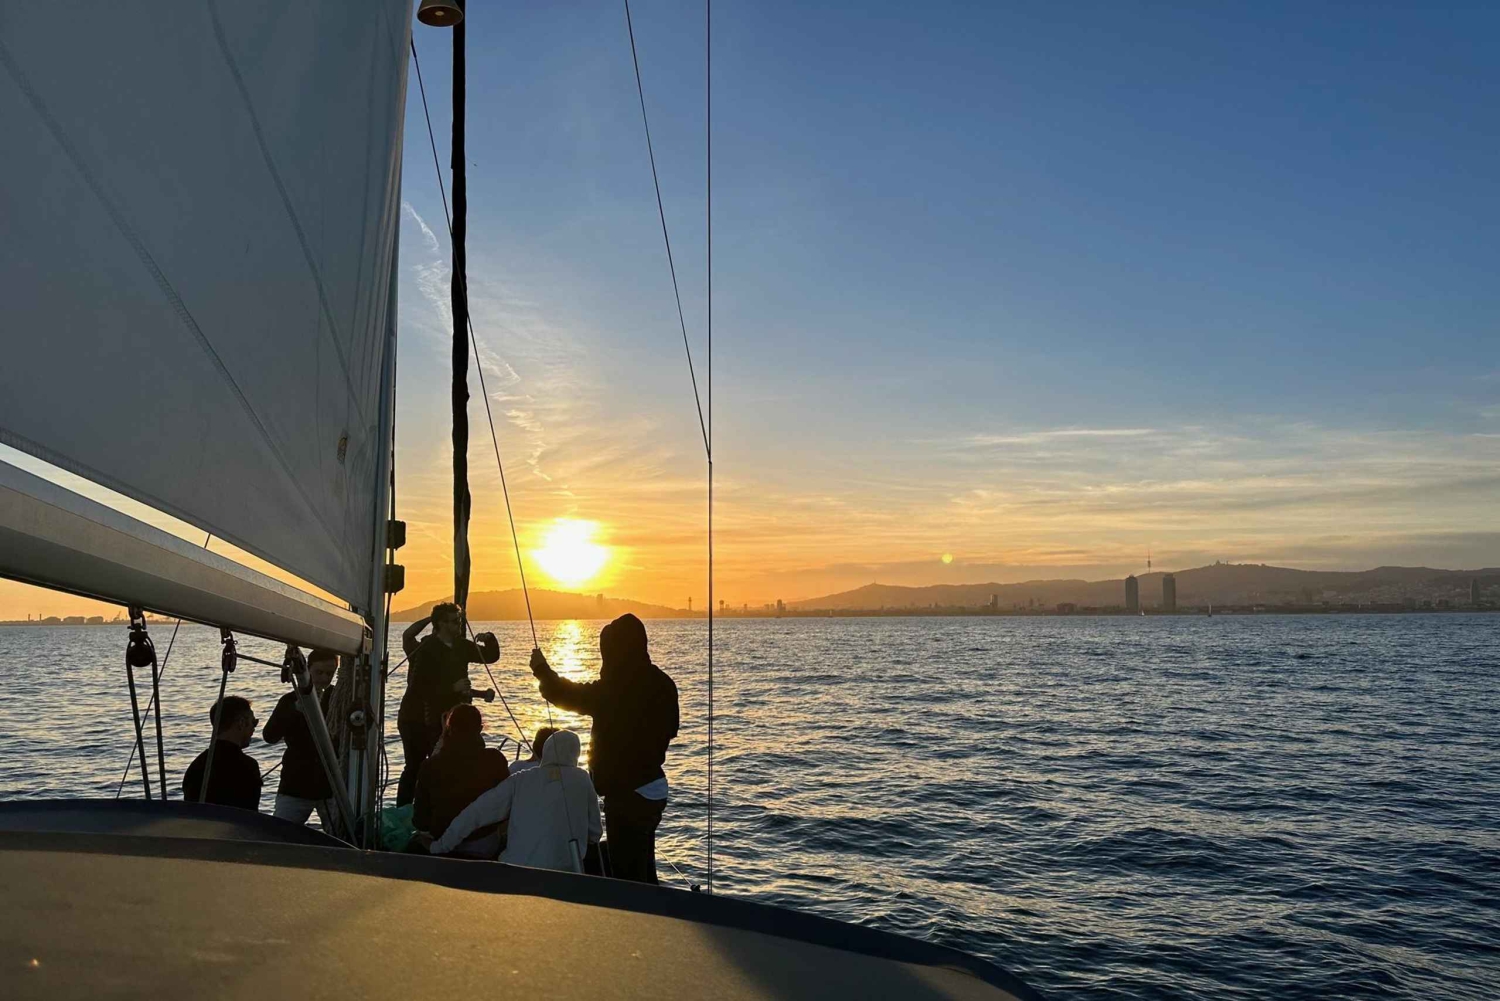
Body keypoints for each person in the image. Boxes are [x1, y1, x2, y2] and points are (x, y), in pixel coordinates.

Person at [529, 613, 678, 884]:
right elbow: (671, 730)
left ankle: (634, 922)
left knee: (627, 877)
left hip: (626, 795)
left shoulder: (614, 689)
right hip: (655, 788)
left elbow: (568, 695)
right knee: (643, 867)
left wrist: (541, 670)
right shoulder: (664, 684)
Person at [427, 729, 600, 872]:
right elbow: (595, 833)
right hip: (565, 872)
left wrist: (439, 847)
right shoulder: (582, 779)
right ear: (575, 754)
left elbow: (476, 813)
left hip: (516, 870)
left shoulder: (520, 779)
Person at [396, 602, 500, 805]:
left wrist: (489, 639)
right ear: (441, 624)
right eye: (454, 621)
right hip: (418, 719)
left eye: (459, 620)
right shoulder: (426, 649)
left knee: (450, 764)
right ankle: (406, 810)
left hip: (448, 719)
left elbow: (490, 656)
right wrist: (452, 689)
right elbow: (419, 688)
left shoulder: (462, 646)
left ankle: (446, 808)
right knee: (416, 767)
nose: (458, 625)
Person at [412, 704, 510, 858]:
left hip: (441, 841)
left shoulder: (430, 766)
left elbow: (420, 821)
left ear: (449, 729)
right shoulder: (495, 759)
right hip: (484, 844)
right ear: (480, 729)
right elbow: (506, 806)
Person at [261, 648, 338, 827]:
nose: (325, 678)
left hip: (331, 785)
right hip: (296, 784)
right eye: (319, 672)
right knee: (280, 833)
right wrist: (295, 711)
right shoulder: (290, 700)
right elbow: (270, 736)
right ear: (307, 670)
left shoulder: (338, 698)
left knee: (342, 835)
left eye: (330, 673)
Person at [182, 696, 262, 811]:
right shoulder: (247, 766)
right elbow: (251, 816)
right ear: (241, 723)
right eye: (253, 722)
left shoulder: (196, 766)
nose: (253, 729)